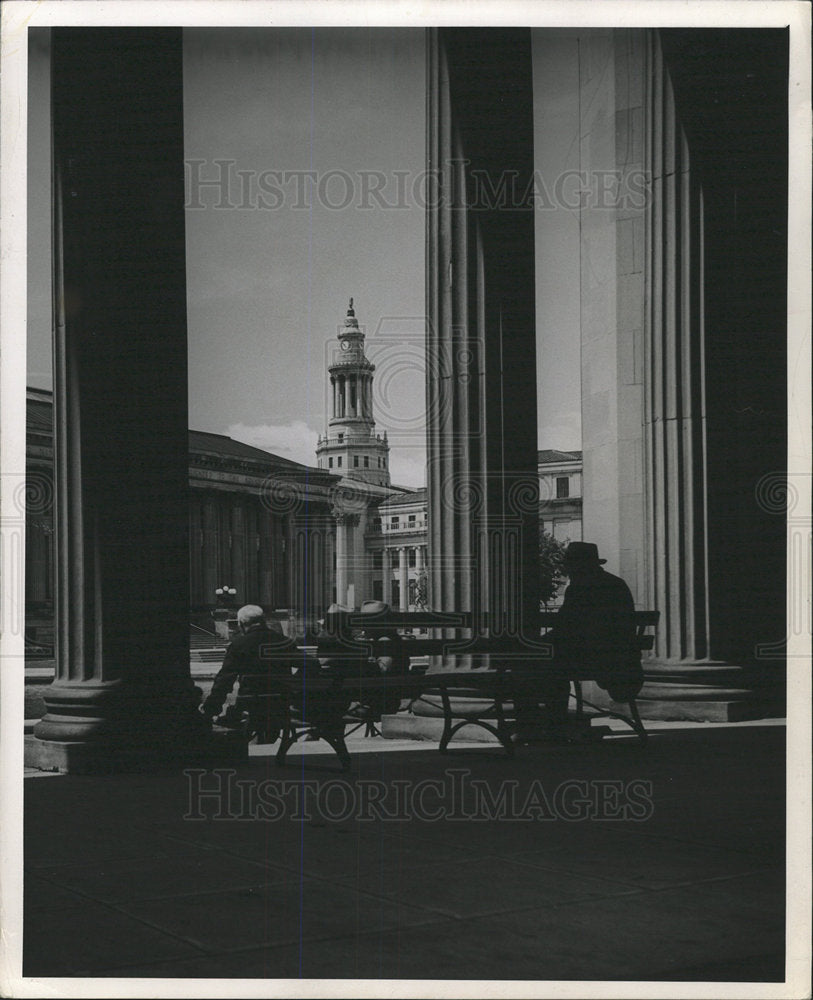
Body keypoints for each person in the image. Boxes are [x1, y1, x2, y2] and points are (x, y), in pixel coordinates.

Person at [514, 542, 643, 739]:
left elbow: (565, 629)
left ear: (578, 566)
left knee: (531, 665)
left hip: (591, 660)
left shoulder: (582, 587)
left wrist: (533, 645)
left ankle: (538, 726)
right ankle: (552, 723)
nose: (568, 570)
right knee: (547, 661)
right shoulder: (616, 583)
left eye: (570, 565)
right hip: (619, 659)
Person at [199, 605, 299, 725]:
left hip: (250, 703)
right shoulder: (284, 641)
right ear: (263, 621)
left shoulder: (238, 645)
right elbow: (312, 664)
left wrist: (211, 708)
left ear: (241, 624)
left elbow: (225, 679)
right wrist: (294, 683)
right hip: (281, 700)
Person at [356, 599, 410, 716]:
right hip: (385, 695)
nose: (362, 628)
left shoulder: (385, 641)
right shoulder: (384, 639)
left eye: (365, 624)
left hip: (381, 699)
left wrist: (365, 662)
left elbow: (384, 669)